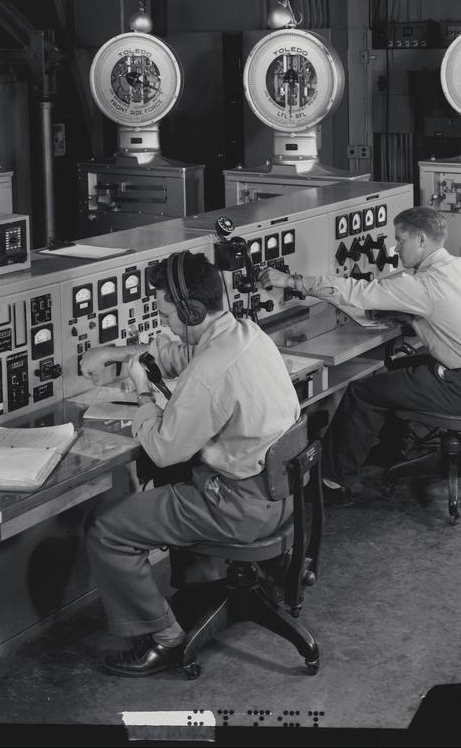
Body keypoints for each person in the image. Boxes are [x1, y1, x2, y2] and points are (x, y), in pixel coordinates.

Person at [79, 250, 300, 677]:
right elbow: (186, 354)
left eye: (165, 313)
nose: (164, 324)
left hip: (237, 509)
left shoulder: (210, 372)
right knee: (179, 476)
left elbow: (163, 448)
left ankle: (164, 639)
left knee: (106, 527)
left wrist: (144, 395)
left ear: (189, 309)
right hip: (282, 496)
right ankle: (203, 591)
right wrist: (113, 351)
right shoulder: (246, 333)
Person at [259, 206, 461, 502]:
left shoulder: (424, 285)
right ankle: (391, 450)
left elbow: (356, 291)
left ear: (422, 240)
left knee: (362, 393)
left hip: (460, 388)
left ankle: (332, 482)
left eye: (401, 240)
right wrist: (412, 318)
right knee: (397, 368)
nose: (396, 248)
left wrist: (290, 281)